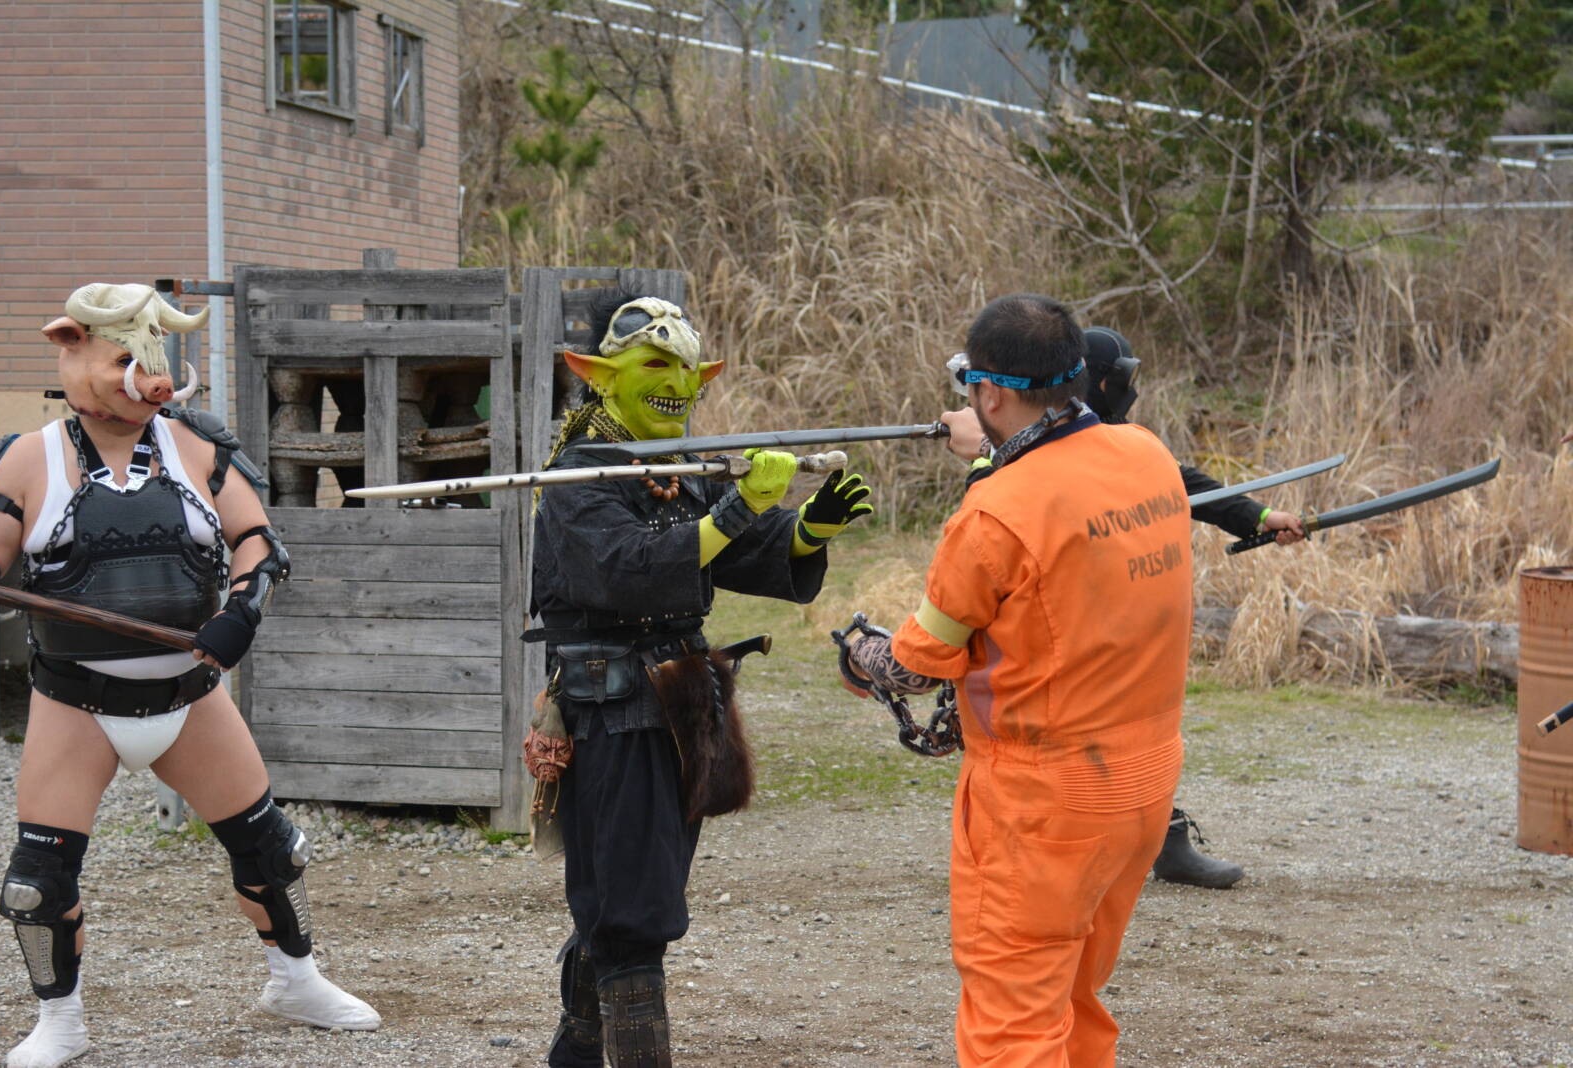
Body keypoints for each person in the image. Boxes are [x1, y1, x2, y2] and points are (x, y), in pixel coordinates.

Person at [0, 283, 379, 1068]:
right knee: (37, 881)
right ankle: (60, 1020)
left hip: (190, 695)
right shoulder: (28, 459)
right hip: (74, 701)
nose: (150, 381)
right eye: (126, 362)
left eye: (155, 360)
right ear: (71, 347)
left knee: (272, 851)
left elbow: (259, 543)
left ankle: (296, 982)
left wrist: (241, 614)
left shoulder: (194, 445)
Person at [842, 293, 1194, 1066]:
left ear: (990, 394)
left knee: (1013, 1027)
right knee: (1074, 1001)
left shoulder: (995, 512)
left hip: (1041, 807)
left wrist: (859, 651)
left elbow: (912, 665)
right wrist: (995, 451)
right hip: (1143, 786)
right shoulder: (1147, 455)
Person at [529, 293, 872, 1067]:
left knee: (637, 889)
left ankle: (575, 1054)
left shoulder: (672, 466)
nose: (678, 385)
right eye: (656, 365)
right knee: (630, 912)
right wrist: (739, 507)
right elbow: (629, 569)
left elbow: (735, 546)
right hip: (611, 710)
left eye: (689, 371)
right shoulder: (579, 476)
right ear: (601, 376)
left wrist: (805, 528)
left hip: (677, 706)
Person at [938, 325, 1305, 889]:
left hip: (1114, 608)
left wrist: (1255, 517)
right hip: (1055, 618)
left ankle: (1159, 832)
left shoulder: (1116, 442)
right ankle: (1049, 851)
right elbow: (993, 522)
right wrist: (987, 455)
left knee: (1128, 723)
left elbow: (1178, 482)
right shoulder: (1032, 446)